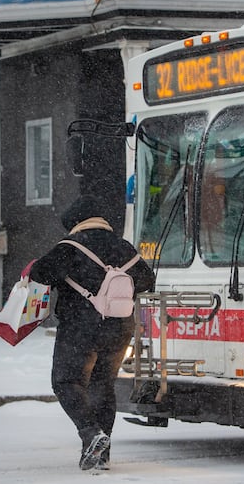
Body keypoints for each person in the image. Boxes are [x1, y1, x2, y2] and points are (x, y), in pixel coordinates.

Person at [28, 195, 155, 471]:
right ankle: (102, 454)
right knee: (102, 386)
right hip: (119, 328)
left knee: (66, 381)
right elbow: (147, 280)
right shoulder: (124, 247)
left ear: (75, 224)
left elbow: (39, 274)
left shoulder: (70, 247)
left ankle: (90, 433)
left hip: (80, 328)